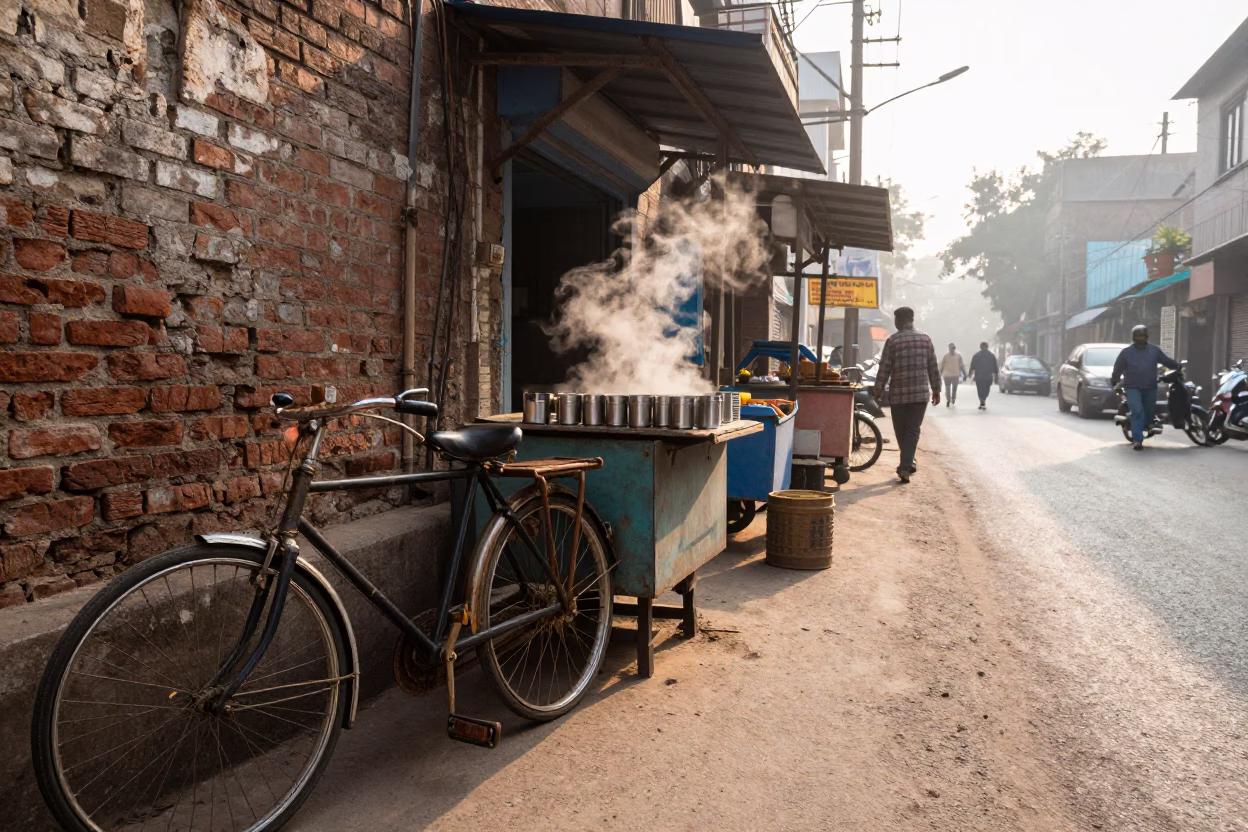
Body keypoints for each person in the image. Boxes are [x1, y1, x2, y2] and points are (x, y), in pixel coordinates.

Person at [873, 306, 940, 483]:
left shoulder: (893, 341)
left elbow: (884, 368)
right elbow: (933, 366)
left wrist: (878, 389)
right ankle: (908, 462)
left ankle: (905, 465)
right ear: (911, 319)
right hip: (920, 395)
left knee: (901, 430)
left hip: (899, 395)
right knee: (913, 430)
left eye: (896, 320)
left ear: (900, 321)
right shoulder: (926, 339)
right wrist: (937, 389)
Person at [1111, 324, 1179, 450]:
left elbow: (1167, 362)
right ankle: (1138, 440)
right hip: (1132, 386)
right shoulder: (1126, 352)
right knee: (1137, 411)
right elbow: (1118, 367)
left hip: (1150, 387)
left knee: (1148, 414)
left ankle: (1145, 426)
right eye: (1138, 335)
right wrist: (1115, 380)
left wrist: (1177, 367)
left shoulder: (1154, 351)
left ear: (1147, 336)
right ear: (1134, 337)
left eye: (1143, 335)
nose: (1141, 338)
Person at [968, 342, 999, 410]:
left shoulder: (976, 355)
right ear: (987, 347)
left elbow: (972, 365)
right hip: (988, 376)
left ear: (980, 347)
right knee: (986, 389)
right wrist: (996, 376)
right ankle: (983, 399)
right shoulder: (991, 356)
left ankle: (982, 399)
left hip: (979, 376)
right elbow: (995, 367)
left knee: (980, 389)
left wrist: (970, 373)